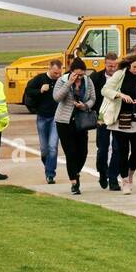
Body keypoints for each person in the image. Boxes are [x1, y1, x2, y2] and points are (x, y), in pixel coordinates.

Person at [100, 52, 136, 194]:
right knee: (122, 151)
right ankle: (125, 180)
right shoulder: (120, 74)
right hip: (120, 118)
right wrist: (119, 95)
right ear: (129, 65)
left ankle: (130, 173)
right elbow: (105, 90)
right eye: (134, 67)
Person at [53, 57, 95, 194]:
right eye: (76, 75)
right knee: (70, 153)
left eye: (81, 75)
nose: (79, 77)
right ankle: (74, 182)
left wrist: (85, 105)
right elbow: (57, 97)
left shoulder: (88, 82)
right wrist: (69, 84)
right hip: (64, 121)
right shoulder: (62, 80)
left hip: (81, 121)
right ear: (71, 72)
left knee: (82, 152)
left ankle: (75, 172)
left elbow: (93, 98)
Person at [23, 58, 63, 183]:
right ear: (49, 69)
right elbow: (28, 91)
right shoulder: (40, 79)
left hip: (56, 118)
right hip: (42, 117)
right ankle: (47, 165)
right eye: (55, 73)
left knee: (53, 146)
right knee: (44, 148)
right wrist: (40, 90)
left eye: (59, 73)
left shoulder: (61, 81)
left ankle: (50, 174)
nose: (58, 75)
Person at [90, 53, 121, 189]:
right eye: (109, 65)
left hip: (117, 115)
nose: (112, 68)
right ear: (105, 64)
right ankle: (102, 172)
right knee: (102, 148)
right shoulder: (96, 77)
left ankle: (113, 178)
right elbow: (91, 96)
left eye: (115, 65)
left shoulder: (121, 77)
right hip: (102, 115)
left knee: (117, 148)